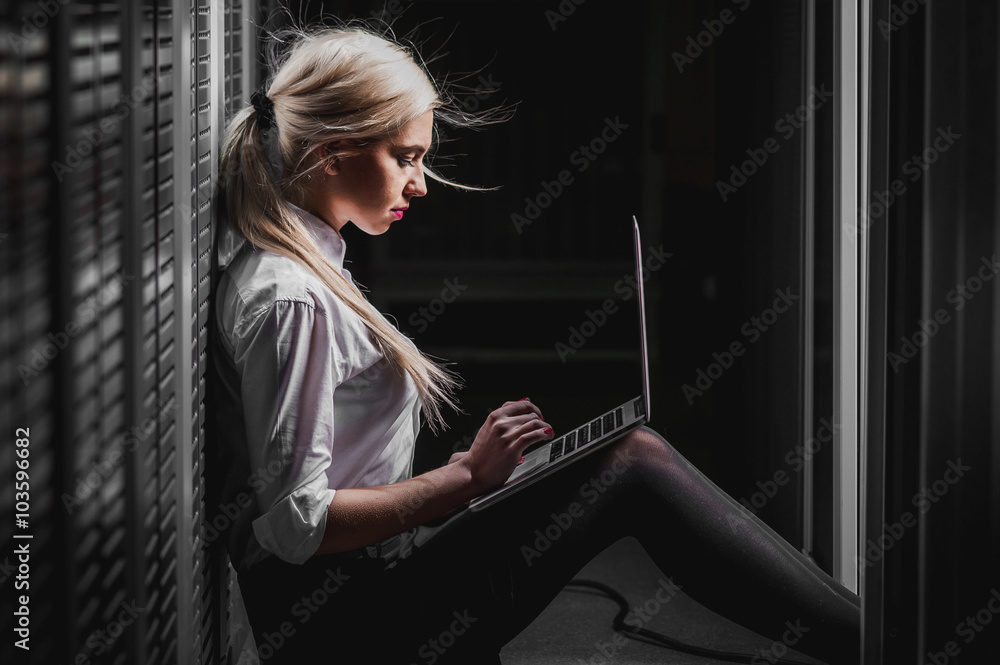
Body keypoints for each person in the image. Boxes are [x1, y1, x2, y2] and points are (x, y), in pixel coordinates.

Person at [208, 24, 859, 665]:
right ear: (333, 152)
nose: (421, 182)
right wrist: (461, 478)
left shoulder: (305, 265)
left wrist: (468, 481)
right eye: (406, 156)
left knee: (627, 456)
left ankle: (871, 636)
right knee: (634, 460)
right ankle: (880, 642)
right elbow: (298, 524)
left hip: (369, 581)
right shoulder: (289, 297)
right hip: (348, 626)